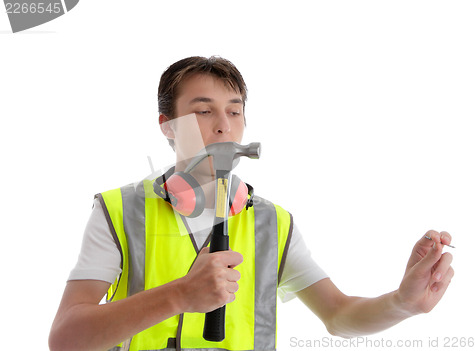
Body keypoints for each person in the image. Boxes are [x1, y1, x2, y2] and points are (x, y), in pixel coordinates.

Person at [49, 56, 454, 351]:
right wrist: (179, 296)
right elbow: (66, 339)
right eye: (203, 111)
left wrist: (403, 303)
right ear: (167, 126)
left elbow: (340, 316)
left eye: (234, 111)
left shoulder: (272, 223)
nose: (223, 124)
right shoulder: (119, 211)